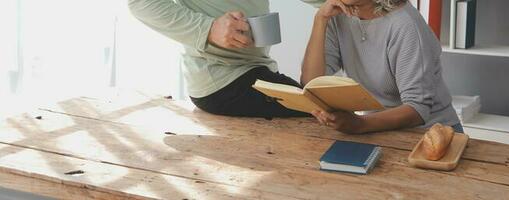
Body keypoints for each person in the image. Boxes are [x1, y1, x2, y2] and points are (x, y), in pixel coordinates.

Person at [128, 0, 325, 118]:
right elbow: (141, 3)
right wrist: (209, 29)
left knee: (324, 109)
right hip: (223, 80)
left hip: (254, 69)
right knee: (324, 113)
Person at [302, 0, 462, 133]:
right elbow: (311, 84)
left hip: (431, 134)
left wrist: (359, 124)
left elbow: (418, 109)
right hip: (379, 132)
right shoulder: (336, 16)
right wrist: (320, 19)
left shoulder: (405, 24)